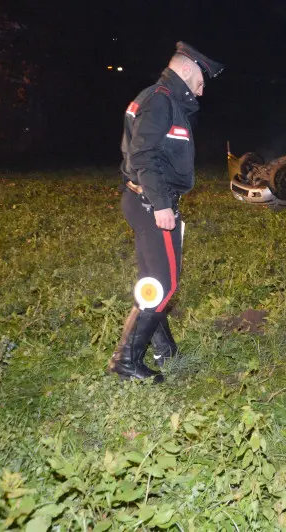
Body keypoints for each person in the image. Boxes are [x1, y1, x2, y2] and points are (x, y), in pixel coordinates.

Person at [106, 42, 224, 382]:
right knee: (164, 284)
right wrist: (160, 204)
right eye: (202, 80)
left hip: (140, 199)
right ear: (187, 70)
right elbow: (143, 157)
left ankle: (165, 350)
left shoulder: (157, 98)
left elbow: (134, 150)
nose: (202, 90)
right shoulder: (160, 101)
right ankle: (126, 360)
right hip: (150, 203)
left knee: (154, 282)